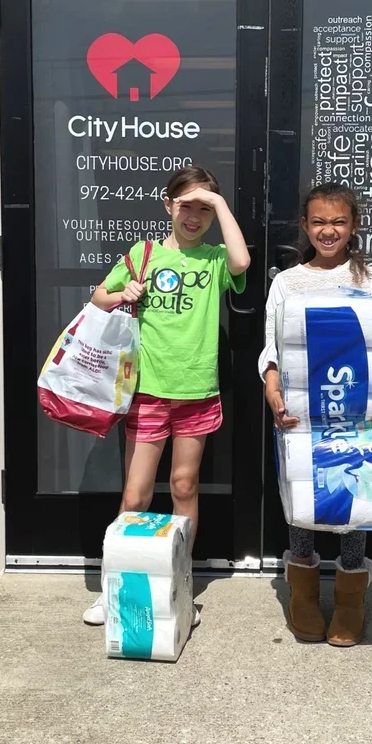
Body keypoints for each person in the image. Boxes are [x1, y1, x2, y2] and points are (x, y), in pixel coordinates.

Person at [83, 165, 250, 626]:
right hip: (148, 391)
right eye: (185, 205)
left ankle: (179, 586)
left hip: (197, 390)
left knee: (184, 486)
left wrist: (219, 201)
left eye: (204, 209)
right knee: (135, 496)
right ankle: (115, 586)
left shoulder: (215, 258)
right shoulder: (145, 252)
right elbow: (99, 295)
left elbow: (242, 264)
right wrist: (122, 295)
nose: (193, 217)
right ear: (167, 204)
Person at [259, 182, 372, 646]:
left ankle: (350, 597)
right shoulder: (287, 282)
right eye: (319, 222)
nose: (329, 231)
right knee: (305, 492)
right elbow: (272, 348)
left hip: (359, 410)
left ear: (354, 226)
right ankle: (302, 595)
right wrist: (272, 389)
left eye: (339, 222)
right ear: (305, 226)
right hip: (302, 410)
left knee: (357, 495)